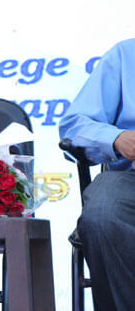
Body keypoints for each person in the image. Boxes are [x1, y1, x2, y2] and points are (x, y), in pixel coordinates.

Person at [59, 38, 135, 311]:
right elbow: (74, 127)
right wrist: (116, 139)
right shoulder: (126, 55)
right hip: (131, 182)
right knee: (104, 211)